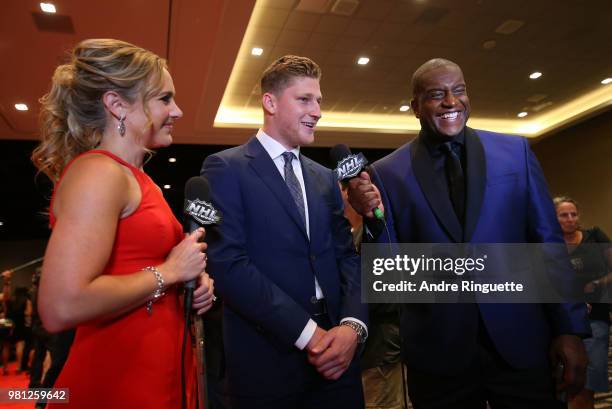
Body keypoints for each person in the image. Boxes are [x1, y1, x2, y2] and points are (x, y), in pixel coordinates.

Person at [348, 58, 590, 408]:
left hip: (521, 342)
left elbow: (547, 245)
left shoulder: (515, 153)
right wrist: (372, 219)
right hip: (438, 353)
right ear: (415, 106)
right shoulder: (386, 173)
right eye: (436, 94)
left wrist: (569, 329)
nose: (450, 101)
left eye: (458, 91)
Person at [31, 38, 215, 408]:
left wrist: (191, 286)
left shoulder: (137, 179)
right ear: (117, 105)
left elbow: (139, 271)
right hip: (114, 386)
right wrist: (169, 273)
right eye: (165, 98)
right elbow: (60, 306)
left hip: (155, 380)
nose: (177, 110)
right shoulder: (99, 173)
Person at [201, 55, 368, 409]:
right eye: (305, 99)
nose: (318, 110)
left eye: (319, 100)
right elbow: (229, 264)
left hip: (339, 357)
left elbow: (346, 257)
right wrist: (310, 335)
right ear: (270, 102)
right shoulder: (225, 168)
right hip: (268, 357)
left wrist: (352, 327)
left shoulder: (325, 177)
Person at [554, 196, 612, 409]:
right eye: (563, 215)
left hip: (595, 317)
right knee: (564, 380)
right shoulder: (550, 244)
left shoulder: (594, 237)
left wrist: (597, 284)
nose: (570, 219)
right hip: (563, 319)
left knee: (587, 381)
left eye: (574, 214)